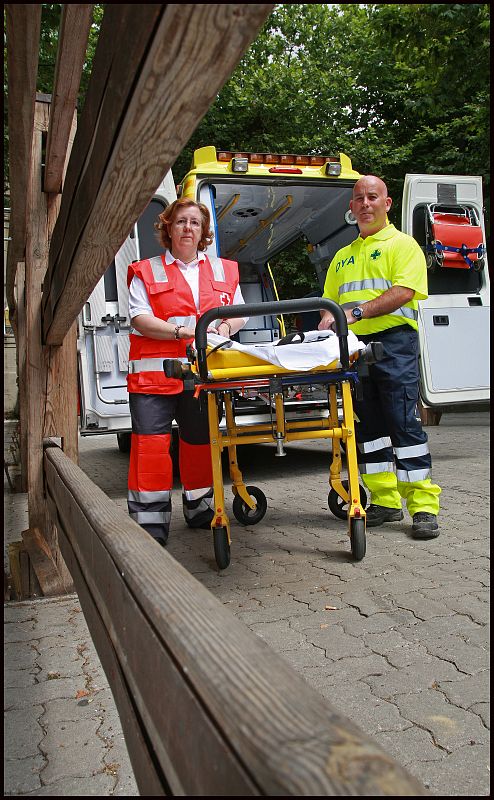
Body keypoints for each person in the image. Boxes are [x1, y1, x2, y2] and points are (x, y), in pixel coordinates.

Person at [319, 175, 441, 539]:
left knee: (403, 423)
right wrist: (327, 323)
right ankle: (386, 503)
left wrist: (357, 313)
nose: (365, 204)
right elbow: (329, 307)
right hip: (354, 349)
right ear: (351, 208)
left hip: (394, 343)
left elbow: (405, 291)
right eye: (359, 199)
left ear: (387, 204)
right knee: (368, 430)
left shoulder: (403, 245)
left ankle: (422, 507)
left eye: (373, 197)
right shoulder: (341, 257)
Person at [126, 198, 248, 546]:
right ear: (168, 227)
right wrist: (184, 333)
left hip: (202, 378)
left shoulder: (224, 269)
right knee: (151, 449)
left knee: (198, 445)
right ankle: (149, 525)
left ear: (203, 232)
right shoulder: (145, 270)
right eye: (180, 221)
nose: (188, 228)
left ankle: (199, 509)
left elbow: (241, 311)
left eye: (195, 223)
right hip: (153, 379)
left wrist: (225, 328)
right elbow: (139, 318)